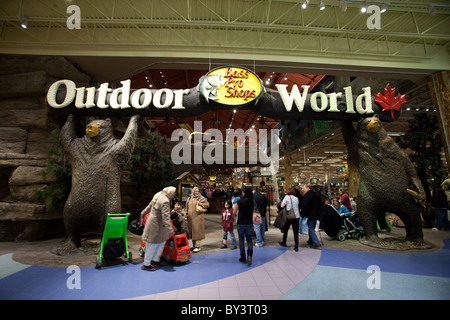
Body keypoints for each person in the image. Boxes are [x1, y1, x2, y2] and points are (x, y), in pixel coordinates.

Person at [140, 186, 176, 271]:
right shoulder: (165, 201)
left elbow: (150, 205)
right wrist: (170, 230)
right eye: (174, 193)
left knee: (161, 242)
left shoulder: (158, 194)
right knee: (152, 244)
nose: (174, 195)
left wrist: (143, 212)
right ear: (170, 193)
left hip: (157, 224)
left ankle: (155, 260)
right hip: (156, 225)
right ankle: (147, 264)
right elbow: (166, 217)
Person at [233, 187, 254, 266]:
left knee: (241, 241)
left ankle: (243, 257)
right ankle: (249, 256)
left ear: (244, 193)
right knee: (249, 240)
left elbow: (234, 212)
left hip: (240, 223)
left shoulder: (239, 201)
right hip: (249, 223)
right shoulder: (252, 202)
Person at [186, 186, 210, 253]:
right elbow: (187, 206)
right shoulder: (190, 198)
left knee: (197, 231)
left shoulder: (201, 198)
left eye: (197, 191)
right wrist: (186, 213)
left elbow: (207, 205)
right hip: (190, 218)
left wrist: (200, 203)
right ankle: (194, 246)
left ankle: (198, 246)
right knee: (192, 231)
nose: (196, 192)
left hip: (198, 217)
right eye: (195, 191)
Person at [278, 187, 300, 252]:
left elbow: (282, 205)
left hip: (289, 216)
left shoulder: (287, 197)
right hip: (296, 216)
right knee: (296, 232)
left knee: (286, 230)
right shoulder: (296, 198)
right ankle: (296, 246)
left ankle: (284, 242)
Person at [301, 184, 322, 249]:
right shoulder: (316, 195)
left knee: (310, 228)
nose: (303, 189)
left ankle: (316, 242)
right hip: (316, 214)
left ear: (307, 188)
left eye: (303, 188)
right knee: (311, 227)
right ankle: (311, 240)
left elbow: (305, 206)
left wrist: (302, 213)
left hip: (310, 214)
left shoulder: (307, 196)